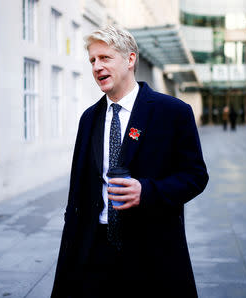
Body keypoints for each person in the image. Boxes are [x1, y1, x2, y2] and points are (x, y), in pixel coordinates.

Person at [51, 26, 208, 298]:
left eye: (105, 58)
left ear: (130, 59)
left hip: (150, 251)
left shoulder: (173, 113)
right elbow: (77, 190)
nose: (96, 67)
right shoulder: (88, 118)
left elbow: (196, 176)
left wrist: (146, 191)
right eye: (92, 60)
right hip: (94, 250)